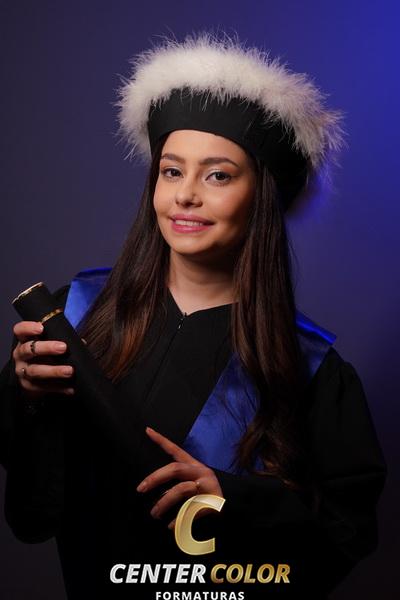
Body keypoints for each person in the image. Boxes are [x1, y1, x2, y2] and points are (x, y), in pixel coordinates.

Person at [0, 32, 387, 599]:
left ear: (262, 195)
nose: (185, 195)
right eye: (171, 170)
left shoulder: (310, 368)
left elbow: (345, 529)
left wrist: (234, 501)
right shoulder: (80, 312)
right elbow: (34, 492)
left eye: (218, 175)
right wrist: (28, 395)